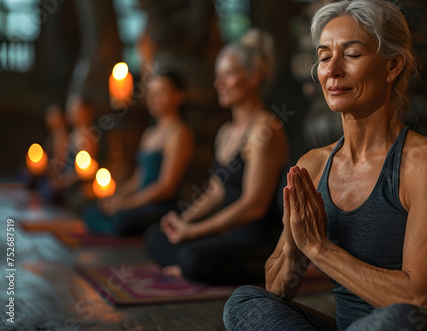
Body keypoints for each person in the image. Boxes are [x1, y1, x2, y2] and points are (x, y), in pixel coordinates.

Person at [223, 0, 427, 330]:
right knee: (244, 302)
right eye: (324, 57)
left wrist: (319, 248)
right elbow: (278, 287)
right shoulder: (313, 165)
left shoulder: (426, 163)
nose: (333, 70)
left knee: (397, 319)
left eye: (352, 55)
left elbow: (419, 300)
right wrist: (296, 243)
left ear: (393, 66)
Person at [144, 29, 288, 285]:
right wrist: (183, 222)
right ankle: (190, 265)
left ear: (254, 77)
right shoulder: (225, 131)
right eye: (217, 76)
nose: (218, 83)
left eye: (228, 75)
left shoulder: (265, 129)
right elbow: (216, 191)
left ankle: (193, 265)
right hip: (226, 235)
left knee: (192, 257)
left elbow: (253, 206)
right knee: (156, 236)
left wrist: (196, 231)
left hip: (255, 241)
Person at [83, 70, 194, 236]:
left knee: (121, 221)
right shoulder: (149, 134)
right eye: (152, 93)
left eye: (161, 92)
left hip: (159, 205)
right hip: (139, 202)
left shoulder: (179, 133)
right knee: (92, 210)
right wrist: (116, 197)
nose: (154, 98)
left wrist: (127, 203)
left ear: (179, 96)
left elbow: (166, 187)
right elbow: (138, 179)